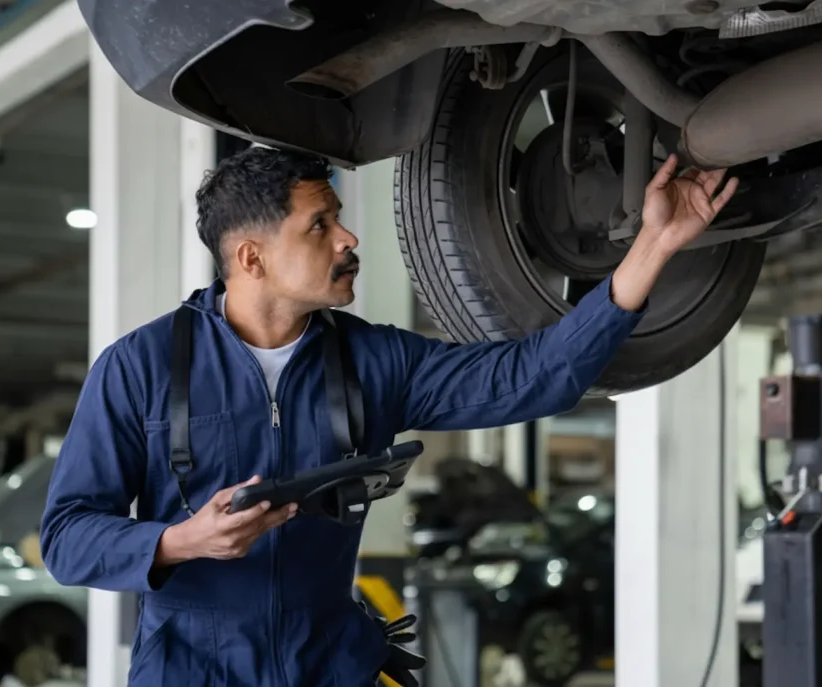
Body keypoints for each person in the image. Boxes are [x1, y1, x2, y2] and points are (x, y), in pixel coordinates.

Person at [39, 146, 738, 686]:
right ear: (251, 257)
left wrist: (654, 245)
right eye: (320, 224)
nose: (347, 238)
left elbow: (535, 377)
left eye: (338, 217)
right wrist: (183, 540)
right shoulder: (141, 367)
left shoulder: (375, 361)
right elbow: (68, 537)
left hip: (332, 664)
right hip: (192, 671)